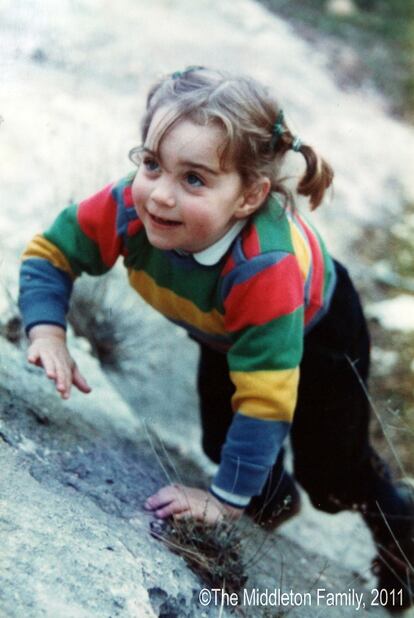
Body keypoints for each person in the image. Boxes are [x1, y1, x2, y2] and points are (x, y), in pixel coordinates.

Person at [18, 66, 413, 611]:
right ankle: (270, 502)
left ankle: (402, 539)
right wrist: (48, 330)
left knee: (333, 476)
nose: (160, 195)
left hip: (319, 333)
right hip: (227, 334)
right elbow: (50, 254)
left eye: (195, 179)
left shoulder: (262, 267)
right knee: (219, 445)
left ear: (249, 196)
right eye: (152, 164)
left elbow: (266, 398)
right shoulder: (127, 207)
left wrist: (223, 504)